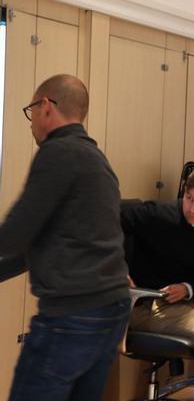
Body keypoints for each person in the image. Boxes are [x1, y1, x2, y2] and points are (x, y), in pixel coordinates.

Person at [0, 74, 130, 401]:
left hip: (74, 315)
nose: (30, 124)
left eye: (31, 111)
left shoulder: (58, 152)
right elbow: (48, 240)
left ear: (46, 106)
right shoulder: (98, 160)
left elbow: (17, 233)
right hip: (111, 309)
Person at [122, 168, 194, 342]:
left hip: (192, 297)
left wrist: (188, 288)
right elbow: (109, 220)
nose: (193, 209)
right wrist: (118, 269)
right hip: (150, 302)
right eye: (189, 199)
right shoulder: (159, 213)